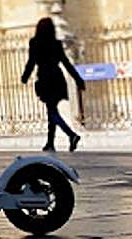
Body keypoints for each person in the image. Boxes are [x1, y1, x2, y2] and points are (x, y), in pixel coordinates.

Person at [21, 17, 85, 152]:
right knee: (52, 111)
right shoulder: (56, 43)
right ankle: (50, 143)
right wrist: (78, 79)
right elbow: (66, 63)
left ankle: (71, 135)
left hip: (45, 79)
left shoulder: (35, 42)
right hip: (57, 78)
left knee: (52, 112)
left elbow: (31, 62)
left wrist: (25, 76)